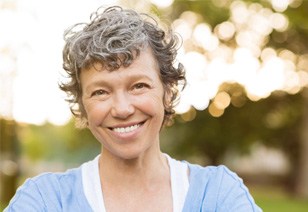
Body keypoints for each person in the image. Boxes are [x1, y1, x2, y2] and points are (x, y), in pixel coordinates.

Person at [5, 6, 262, 212]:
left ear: (168, 92)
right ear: (82, 106)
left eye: (138, 86)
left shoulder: (218, 194)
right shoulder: (46, 201)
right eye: (100, 92)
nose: (122, 108)